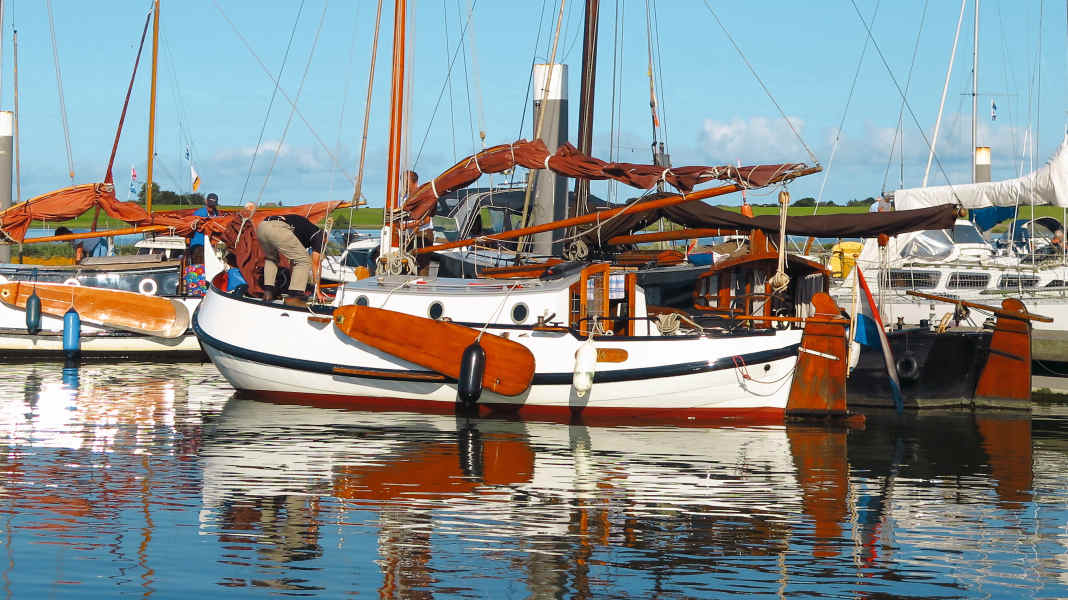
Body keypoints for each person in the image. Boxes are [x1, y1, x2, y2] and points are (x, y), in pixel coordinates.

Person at [255, 213, 326, 307]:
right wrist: (317, 291)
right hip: (278, 228)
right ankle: (295, 297)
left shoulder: (304, 232)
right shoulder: (319, 235)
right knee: (304, 260)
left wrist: (293, 284)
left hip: (262, 227)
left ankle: (268, 291)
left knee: (272, 258)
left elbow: (294, 262)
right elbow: (315, 264)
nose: (323, 246)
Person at [189, 192, 221, 264]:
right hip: (198, 246)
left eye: (213, 206)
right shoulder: (198, 214)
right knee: (199, 268)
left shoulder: (218, 215)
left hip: (213, 246)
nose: (211, 208)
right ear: (206, 202)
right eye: (209, 205)